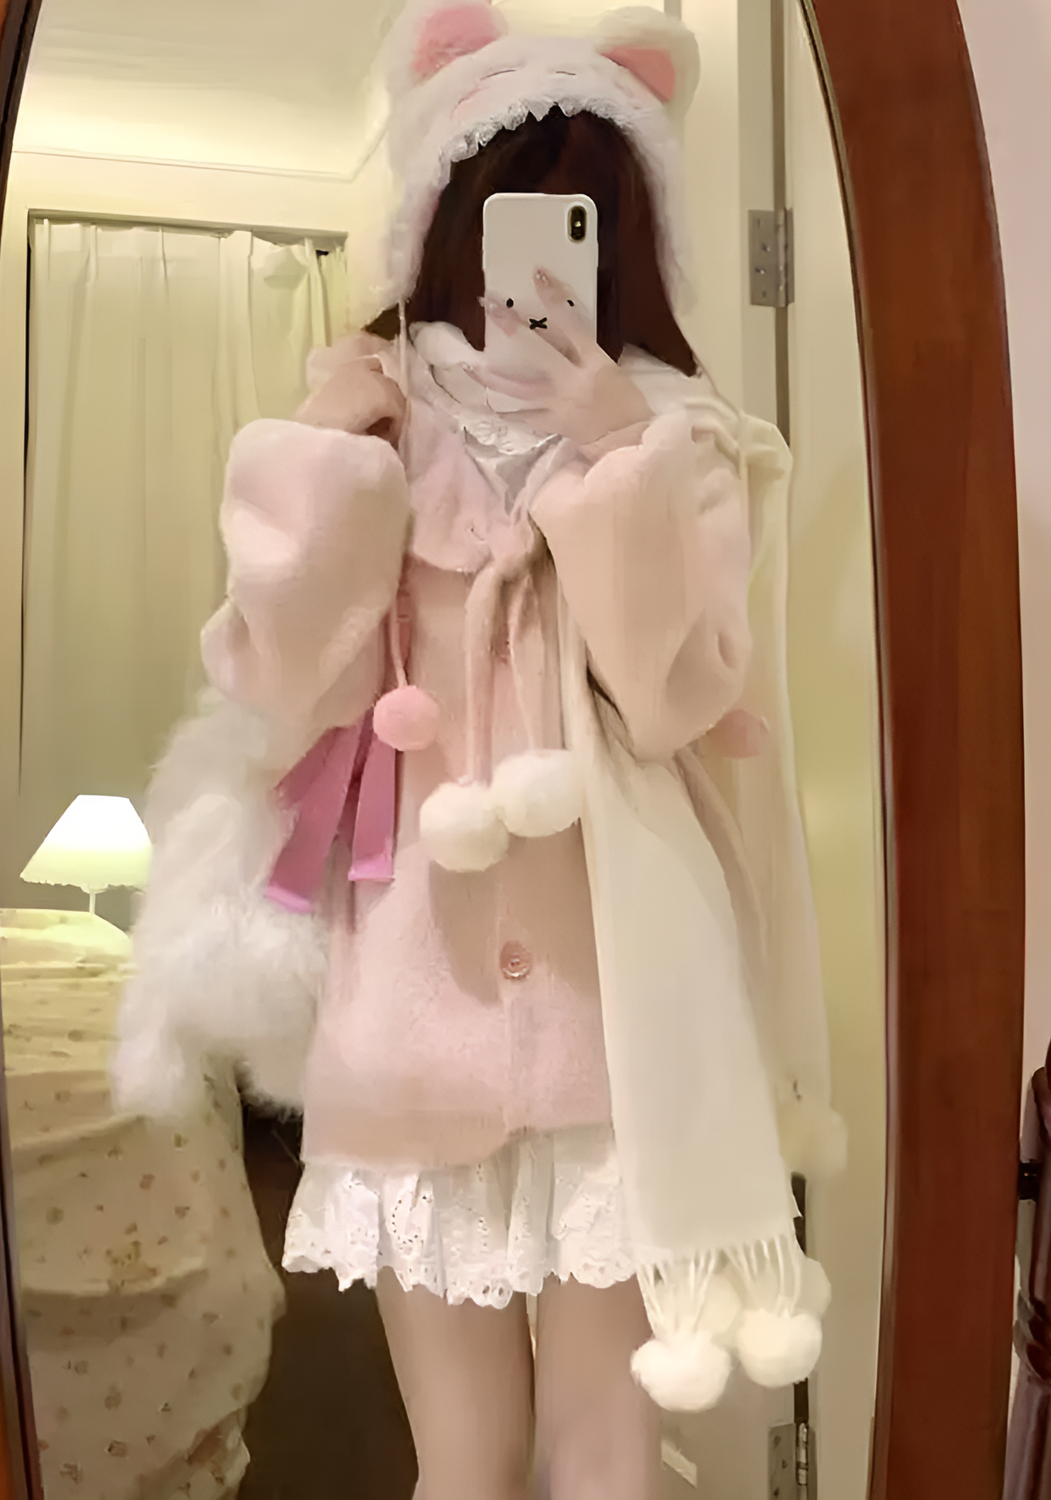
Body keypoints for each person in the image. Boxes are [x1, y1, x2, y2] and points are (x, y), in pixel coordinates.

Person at [115, 7, 844, 1498]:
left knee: (607, 1451)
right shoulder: (370, 426)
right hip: (409, 1005)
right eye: (513, 212)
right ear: (446, 228)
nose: (543, 268)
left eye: (584, 221)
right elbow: (282, 685)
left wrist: (618, 458)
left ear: (626, 243)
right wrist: (332, 458)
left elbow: (678, 703)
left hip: (624, 1020)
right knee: (462, 1461)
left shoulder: (683, 442)